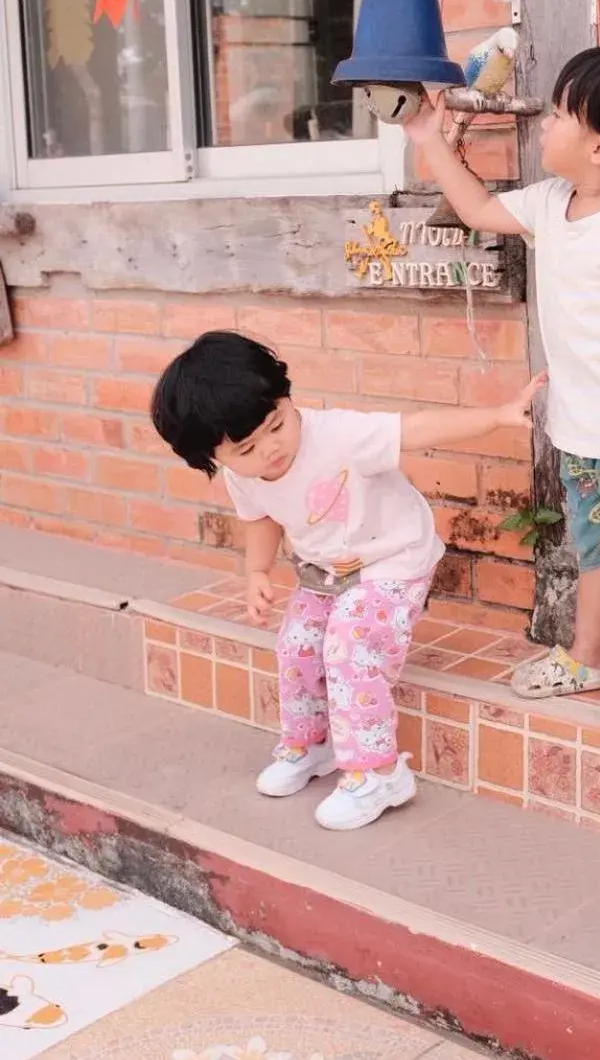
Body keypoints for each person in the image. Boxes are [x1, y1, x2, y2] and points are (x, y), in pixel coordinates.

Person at [406, 46, 600, 727]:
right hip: (577, 426)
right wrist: (430, 139)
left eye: (560, 114)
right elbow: (479, 209)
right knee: (594, 545)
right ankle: (588, 655)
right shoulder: (551, 202)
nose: (544, 126)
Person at [151, 331, 541, 831]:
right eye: (248, 449)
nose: (269, 450)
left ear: (288, 398)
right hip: (326, 573)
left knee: (351, 643)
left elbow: (415, 428)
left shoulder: (338, 435)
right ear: (214, 458)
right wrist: (255, 573)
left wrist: (497, 415)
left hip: (393, 557)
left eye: (277, 425)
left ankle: (378, 773)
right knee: (297, 644)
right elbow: (261, 519)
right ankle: (314, 745)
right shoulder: (239, 473)